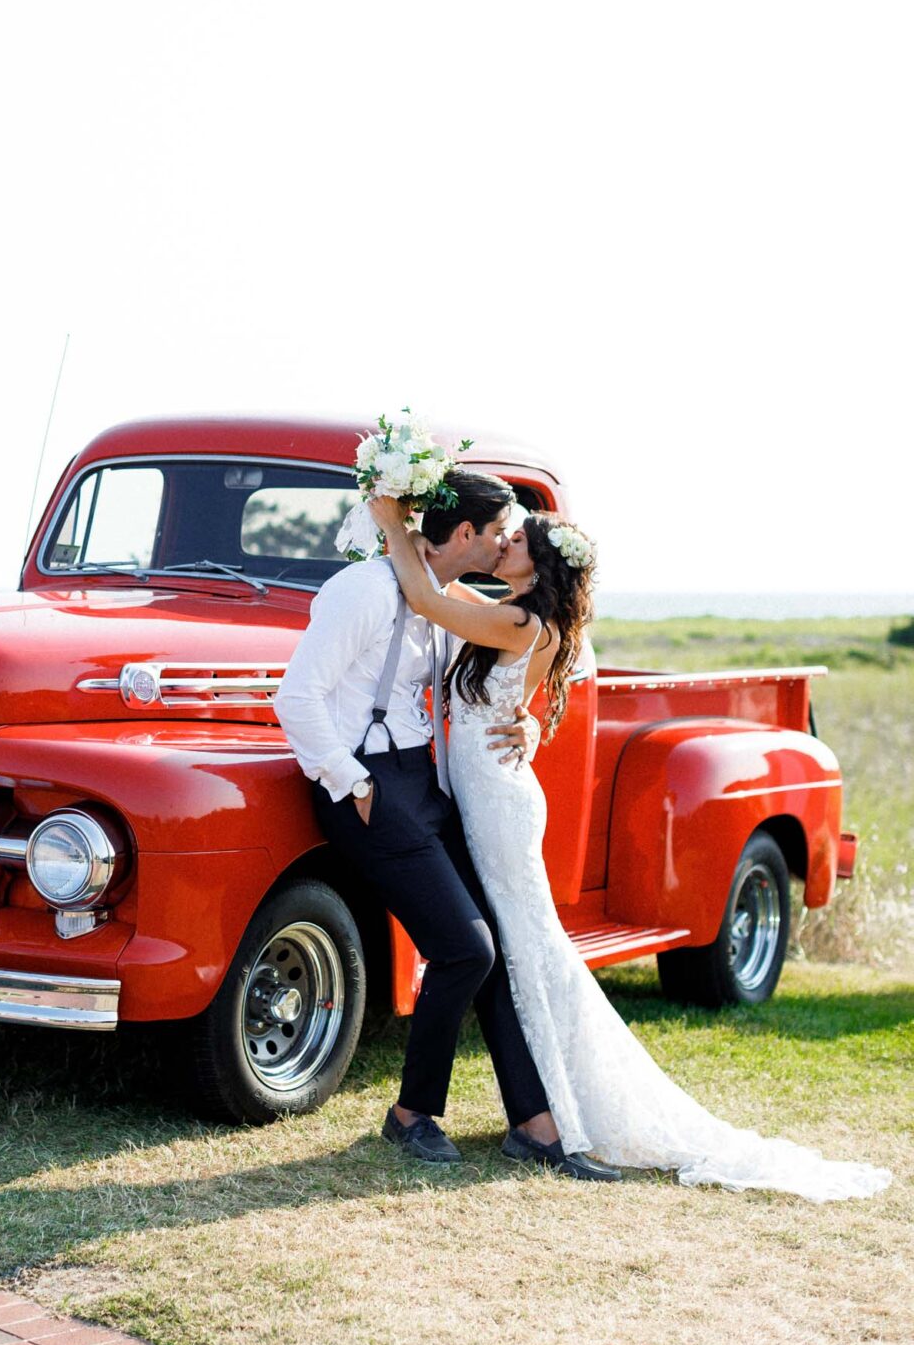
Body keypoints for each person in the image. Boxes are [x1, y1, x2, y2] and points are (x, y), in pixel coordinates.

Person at [368, 494, 893, 1201]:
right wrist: (523, 720)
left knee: (526, 949)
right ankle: (538, 1117)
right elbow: (453, 607)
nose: (503, 544)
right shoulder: (518, 612)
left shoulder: (522, 618)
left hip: (497, 803)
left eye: (516, 540)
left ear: (540, 562)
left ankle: (549, 1119)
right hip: (488, 789)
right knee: (514, 949)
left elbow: (430, 604)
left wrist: (389, 520)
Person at [274, 470, 620, 1177]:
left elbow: (540, 655)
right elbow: (297, 697)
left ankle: (535, 1123)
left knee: (491, 949)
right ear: (465, 533)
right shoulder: (364, 590)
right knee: (467, 950)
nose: (502, 546)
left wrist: (522, 718)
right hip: (371, 787)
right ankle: (410, 1115)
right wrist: (354, 783)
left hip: (427, 785)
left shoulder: (446, 603)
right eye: (498, 533)